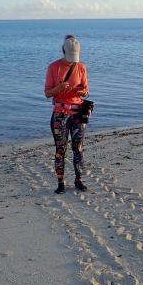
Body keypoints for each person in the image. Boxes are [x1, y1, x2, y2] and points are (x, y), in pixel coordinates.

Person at [44, 35, 89, 194]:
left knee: (78, 148)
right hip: (60, 114)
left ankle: (78, 180)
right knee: (60, 149)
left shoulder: (81, 67)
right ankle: (60, 182)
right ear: (63, 51)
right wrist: (59, 88)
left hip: (78, 113)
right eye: (69, 57)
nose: (72, 61)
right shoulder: (53, 67)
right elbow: (47, 93)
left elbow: (86, 91)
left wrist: (82, 91)